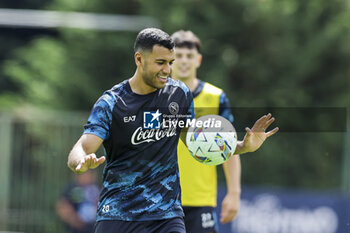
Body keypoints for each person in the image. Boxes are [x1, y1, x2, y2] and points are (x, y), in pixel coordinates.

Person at [67, 28, 278, 233]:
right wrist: (79, 163)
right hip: (119, 214)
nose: (167, 70)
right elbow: (82, 147)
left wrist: (242, 146)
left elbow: (197, 143)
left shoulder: (179, 94)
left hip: (167, 216)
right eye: (160, 63)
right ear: (139, 59)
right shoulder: (112, 102)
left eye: (170, 63)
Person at [171, 30, 241, 233]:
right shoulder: (156, 96)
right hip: (161, 200)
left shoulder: (216, 97)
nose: (184, 61)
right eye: (179, 56)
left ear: (198, 60)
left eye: (189, 56)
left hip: (200, 201)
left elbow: (230, 147)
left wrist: (234, 192)